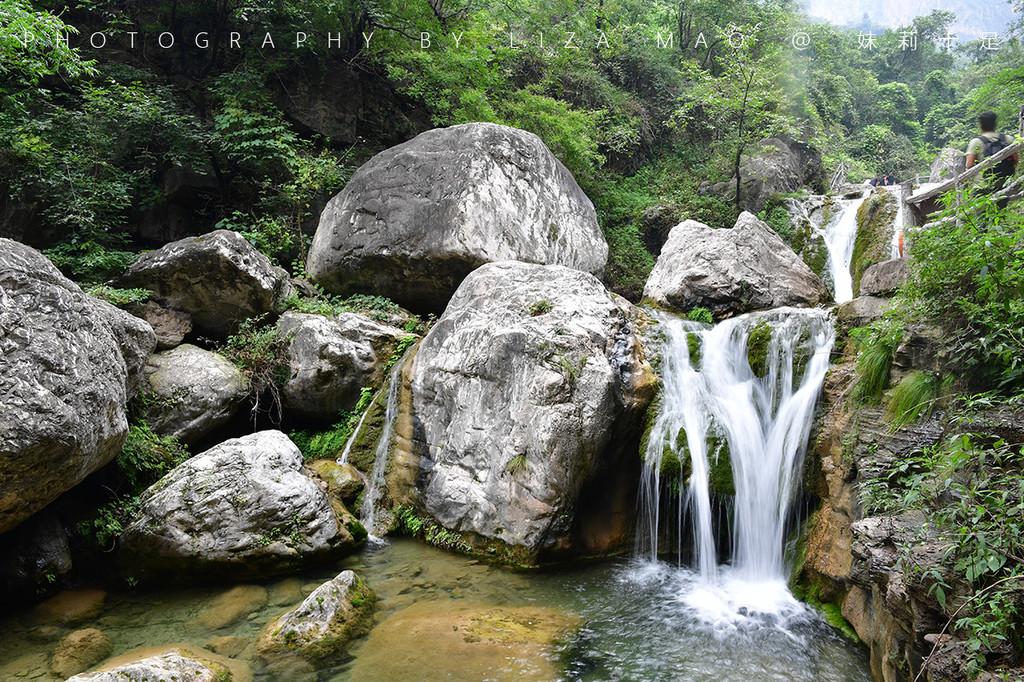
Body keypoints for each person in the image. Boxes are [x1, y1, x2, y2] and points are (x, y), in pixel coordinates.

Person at [966, 111, 1018, 187]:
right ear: (995, 124)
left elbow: (969, 165)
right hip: (1004, 184)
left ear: (980, 126)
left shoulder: (976, 142)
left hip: (982, 184)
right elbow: (1016, 160)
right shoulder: (1008, 139)